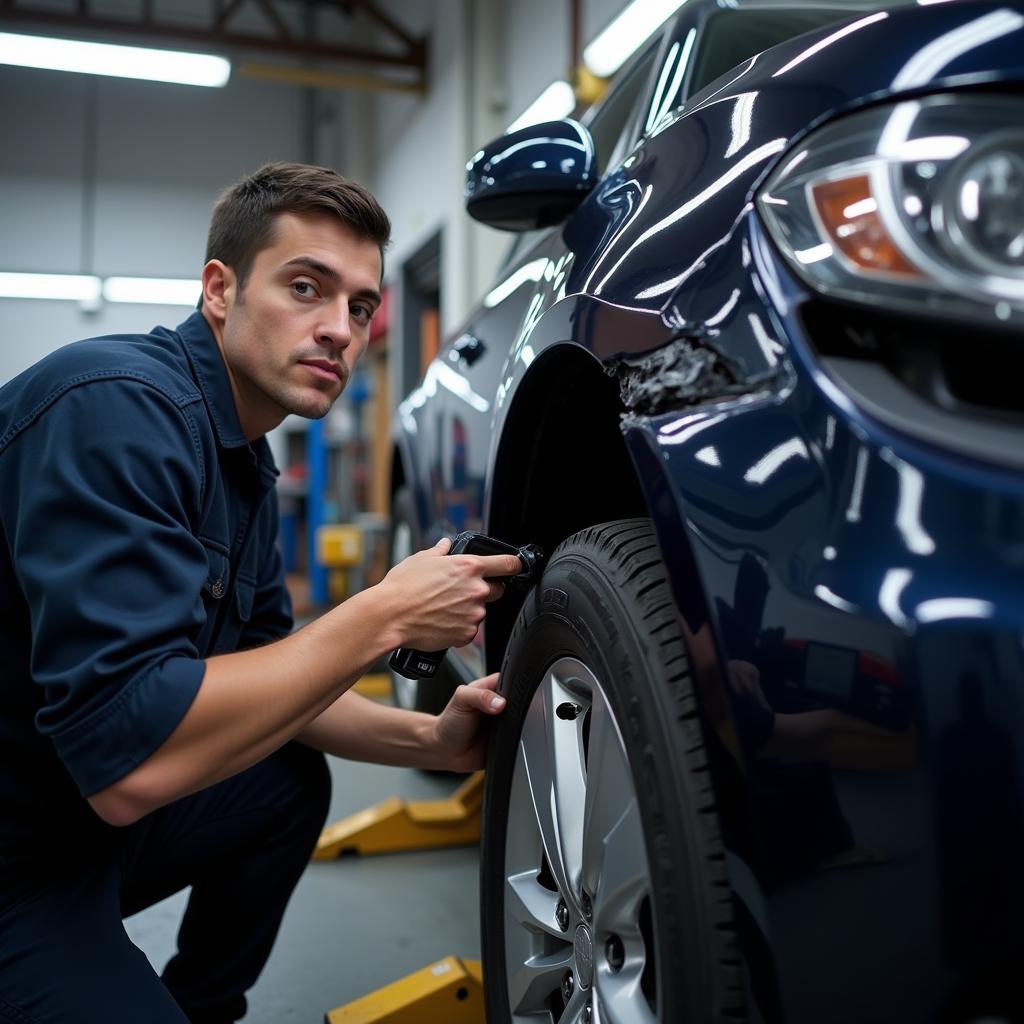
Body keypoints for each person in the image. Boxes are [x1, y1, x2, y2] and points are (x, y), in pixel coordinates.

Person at [0, 162, 521, 1024]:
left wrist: (434, 738)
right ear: (220, 289)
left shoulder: (243, 463)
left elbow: (271, 676)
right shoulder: (113, 408)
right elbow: (128, 765)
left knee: (283, 777)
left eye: (359, 307)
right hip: (27, 849)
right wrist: (382, 611)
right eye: (306, 288)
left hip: (70, 828)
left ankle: (199, 1005)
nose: (339, 330)